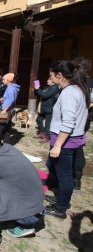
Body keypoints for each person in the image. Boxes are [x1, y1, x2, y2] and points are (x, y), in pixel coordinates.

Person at [44, 60, 89, 219]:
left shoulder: (70, 92)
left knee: (65, 175)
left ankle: (61, 208)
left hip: (65, 141)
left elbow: (68, 121)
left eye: (51, 75)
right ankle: (61, 198)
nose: (49, 78)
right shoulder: (77, 89)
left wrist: (57, 146)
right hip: (71, 139)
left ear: (59, 75)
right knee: (57, 169)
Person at [70, 57, 92, 190]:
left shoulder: (85, 84)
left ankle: (75, 178)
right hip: (84, 118)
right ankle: (75, 177)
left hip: (81, 119)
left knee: (76, 148)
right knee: (77, 148)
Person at [0, 73, 20, 144]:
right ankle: (6, 144)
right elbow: (6, 97)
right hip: (6, 109)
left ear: (9, 80)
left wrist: (5, 110)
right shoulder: (10, 87)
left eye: (4, 79)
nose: (2, 81)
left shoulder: (11, 88)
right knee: (6, 129)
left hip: (6, 110)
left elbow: (11, 100)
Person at [34, 77, 60, 143]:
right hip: (44, 108)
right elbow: (40, 94)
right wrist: (37, 89)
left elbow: (44, 95)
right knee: (38, 120)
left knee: (48, 124)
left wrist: (38, 89)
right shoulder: (48, 87)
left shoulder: (55, 88)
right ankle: (42, 133)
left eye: (49, 79)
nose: (47, 80)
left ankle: (46, 137)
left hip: (49, 108)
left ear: (52, 81)